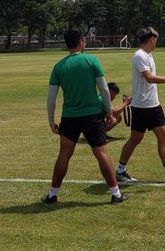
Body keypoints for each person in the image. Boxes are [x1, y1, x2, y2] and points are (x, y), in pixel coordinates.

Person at [43, 28, 127, 204]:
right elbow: (104, 89)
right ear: (80, 41)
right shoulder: (91, 60)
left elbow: (51, 97)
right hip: (92, 116)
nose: (86, 43)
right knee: (102, 154)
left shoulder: (59, 66)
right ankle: (116, 194)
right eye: (85, 40)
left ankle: (53, 194)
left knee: (64, 155)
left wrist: (51, 121)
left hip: (69, 117)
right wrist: (110, 113)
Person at [116, 27, 165, 184]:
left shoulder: (148, 55)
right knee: (135, 139)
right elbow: (149, 78)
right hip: (142, 106)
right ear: (151, 39)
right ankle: (120, 171)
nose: (156, 41)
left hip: (152, 104)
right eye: (156, 39)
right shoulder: (139, 56)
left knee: (163, 135)